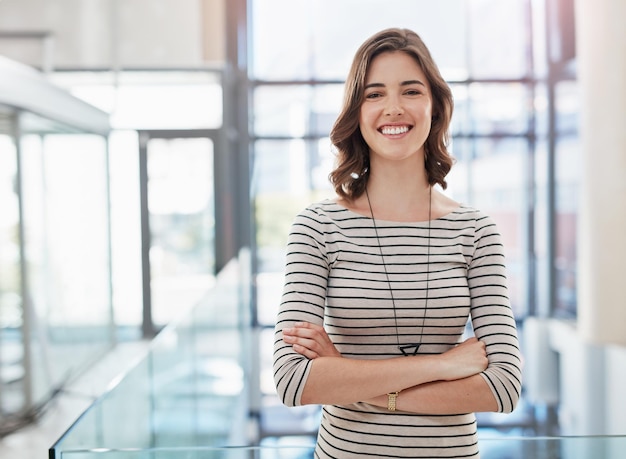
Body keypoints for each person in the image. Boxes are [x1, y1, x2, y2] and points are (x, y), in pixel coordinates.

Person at [273, 27, 522, 458]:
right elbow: (294, 381)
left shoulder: (476, 230)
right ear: (356, 111)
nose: (393, 108)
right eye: (374, 94)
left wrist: (348, 377)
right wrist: (443, 366)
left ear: (435, 106)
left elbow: (503, 387)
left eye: (410, 91)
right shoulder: (317, 226)